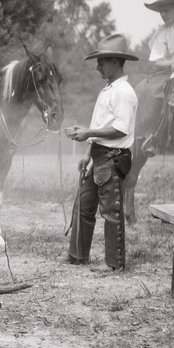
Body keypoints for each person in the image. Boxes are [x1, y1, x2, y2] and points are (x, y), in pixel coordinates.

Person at [64, 33, 139, 272]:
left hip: (113, 156)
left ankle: (114, 265)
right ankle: (77, 256)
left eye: (102, 61)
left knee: (110, 211)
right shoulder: (107, 90)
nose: (97, 66)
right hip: (98, 156)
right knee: (83, 205)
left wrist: (88, 132)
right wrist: (88, 152)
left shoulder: (124, 92)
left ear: (116, 62)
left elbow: (120, 129)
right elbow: (100, 125)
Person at [137, 0, 174, 156]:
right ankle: (154, 134)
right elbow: (156, 59)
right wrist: (171, 62)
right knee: (152, 90)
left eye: (166, 10)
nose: (163, 14)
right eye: (161, 11)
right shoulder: (162, 32)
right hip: (170, 71)